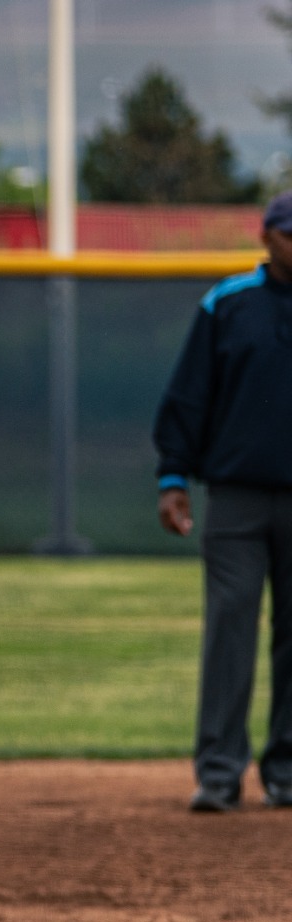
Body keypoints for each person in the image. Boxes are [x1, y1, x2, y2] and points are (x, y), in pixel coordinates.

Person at [155, 191, 292, 813]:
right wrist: (172, 477)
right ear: (267, 236)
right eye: (291, 234)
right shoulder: (228, 303)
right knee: (230, 630)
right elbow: (189, 396)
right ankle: (218, 773)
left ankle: (287, 771)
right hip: (236, 498)